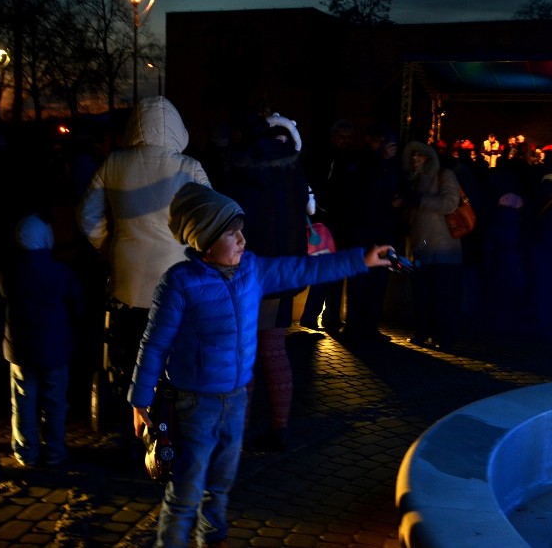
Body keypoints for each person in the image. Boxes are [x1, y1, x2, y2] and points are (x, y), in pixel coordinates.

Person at [128, 182, 393, 548]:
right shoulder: (179, 283)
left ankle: (212, 537)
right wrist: (140, 399)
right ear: (204, 241)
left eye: (241, 230)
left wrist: (361, 259)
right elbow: (154, 344)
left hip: (236, 398)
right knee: (188, 485)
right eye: (230, 233)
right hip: (195, 404)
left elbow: (302, 270)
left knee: (222, 480)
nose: (241, 240)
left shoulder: (253, 270)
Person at [76, 96, 210, 444]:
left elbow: (87, 216)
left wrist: (111, 245)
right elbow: (209, 223)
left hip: (126, 282)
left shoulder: (114, 163)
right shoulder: (188, 167)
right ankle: (169, 439)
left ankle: (131, 435)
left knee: (128, 362)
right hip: (175, 284)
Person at [218, 108, 309, 451]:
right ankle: (279, 427)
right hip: (282, 272)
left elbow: (231, 220)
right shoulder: (292, 166)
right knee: (274, 350)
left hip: (248, 273)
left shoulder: (241, 168)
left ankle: (239, 431)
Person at [0, 212, 85, 468]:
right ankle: (55, 451)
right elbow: (77, 305)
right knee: (55, 402)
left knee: (23, 401)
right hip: (55, 348)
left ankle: (26, 452)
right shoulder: (61, 272)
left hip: (20, 350)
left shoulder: (8, 272)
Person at [339, 121, 406, 347]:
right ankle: (356, 327)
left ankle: (369, 326)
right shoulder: (363, 161)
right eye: (382, 141)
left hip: (380, 231)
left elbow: (391, 188)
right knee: (361, 281)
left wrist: (397, 200)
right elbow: (363, 193)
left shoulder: (388, 164)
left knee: (377, 281)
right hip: (363, 231)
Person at [299, 118, 359, 334]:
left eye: (347, 137)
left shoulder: (339, 159)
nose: (345, 141)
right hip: (330, 222)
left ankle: (326, 315)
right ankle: (317, 315)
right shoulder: (328, 160)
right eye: (342, 137)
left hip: (337, 222)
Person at [402, 140, 463, 349]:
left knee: (442, 295)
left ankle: (444, 337)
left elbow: (450, 203)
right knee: (422, 294)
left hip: (443, 247)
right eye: (411, 154)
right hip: (422, 245)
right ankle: (423, 332)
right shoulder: (412, 180)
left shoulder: (444, 175)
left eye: (419, 154)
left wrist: (420, 200)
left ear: (429, 156)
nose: (414, 158)